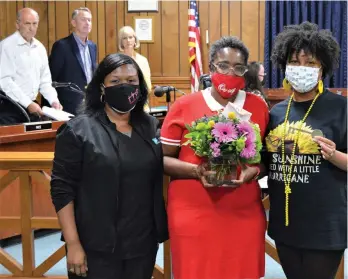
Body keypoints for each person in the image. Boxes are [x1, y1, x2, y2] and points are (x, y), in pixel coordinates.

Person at [50, 53, 168, 279]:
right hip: (96, 246)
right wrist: (73, 243)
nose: (125, 87)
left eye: (131, 81)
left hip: (142, 244)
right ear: (101, 86)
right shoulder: (78, 130)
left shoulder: (150, 126)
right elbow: (62, 189)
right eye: (115, 81)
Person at [160, 36, 269, 279]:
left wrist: (256, 170)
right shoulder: (184, 105)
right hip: (193, 211)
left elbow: (265, 159)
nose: (231, 71)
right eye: (223, 65)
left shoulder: (258, 107)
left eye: (238, 67)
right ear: (210, 68)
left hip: (243, 211)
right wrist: (196, 171)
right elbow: (161, 160)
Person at [265, 21, 347, 279]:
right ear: (284, 66)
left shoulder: (340, 108)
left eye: (310, 63)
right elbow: (266, 161)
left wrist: (334, 155)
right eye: (295, 62)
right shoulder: (276, 111)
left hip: (325, 225)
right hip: (285, 221)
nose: (302, 69)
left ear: (322, 69)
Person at [0, 8, 62, 125]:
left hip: (32, 106)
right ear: (17, 25)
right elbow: (5, 81)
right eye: (27, 23)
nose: (31, 27)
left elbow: (45, 81)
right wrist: (27, 103)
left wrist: (54, 100)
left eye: (34, 24)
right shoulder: (6, 46)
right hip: (9, 108)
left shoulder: (40, 48)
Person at [48, 7, 97, 115]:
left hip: (89, 106)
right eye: (83, 19)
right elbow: (51, 79)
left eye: (89, 20)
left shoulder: (92, 46)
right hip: (68, 107)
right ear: (73, 23)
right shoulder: (62, 46)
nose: (87, 23)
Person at [118, 26, 152, 111]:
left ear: (135, 40)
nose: (128, 40)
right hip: (123, 105)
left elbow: (148, 84)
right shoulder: (116, 60)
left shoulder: (143, 60)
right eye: (124, 38)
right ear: (121, 42)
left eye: (130, 37)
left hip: (142, 105)